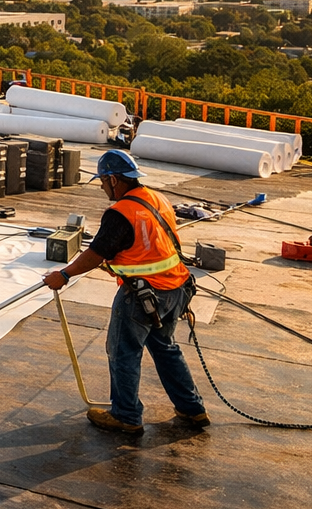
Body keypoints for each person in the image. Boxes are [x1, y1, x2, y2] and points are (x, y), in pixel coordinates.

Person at [43, 151, 208, 434]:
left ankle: (126, 416)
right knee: (165, 348)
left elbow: (96, 253)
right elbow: (148, 245)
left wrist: (64, 275)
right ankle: (192, 409)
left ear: (114, 179)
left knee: (123, 352)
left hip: (143, 297)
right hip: (175, 288)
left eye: (103, 181)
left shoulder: (120, 213)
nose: (101, 186)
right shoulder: (157, 199)